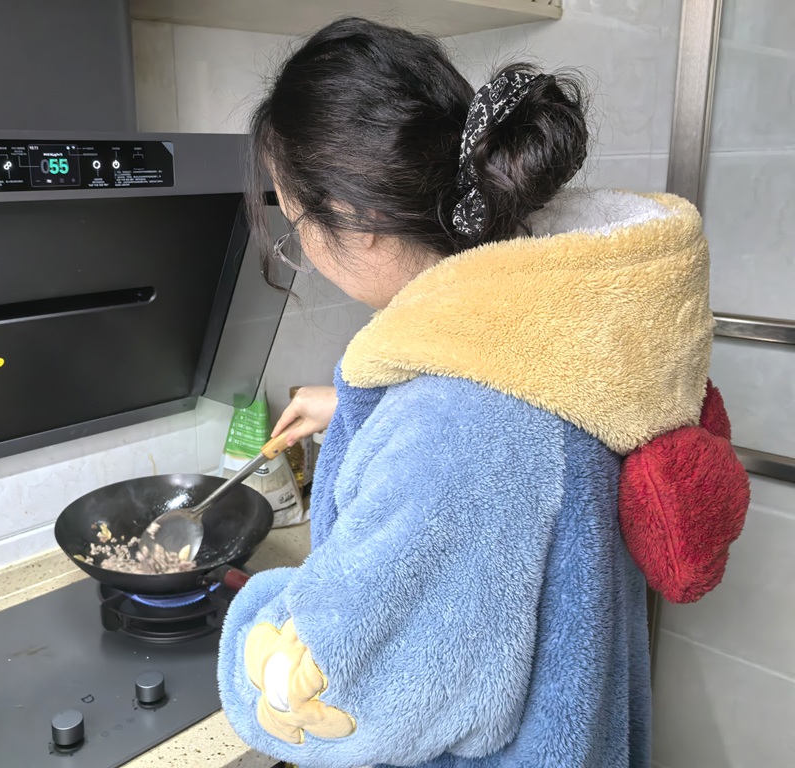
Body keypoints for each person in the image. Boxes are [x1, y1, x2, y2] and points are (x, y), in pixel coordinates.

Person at [216, 17, 747, 768]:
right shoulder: (550, 327)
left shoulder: (458, 424)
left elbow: (339, 685)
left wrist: (242, 625)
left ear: (361, 221)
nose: (302, 248)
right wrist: (371, 416)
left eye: (294, 219)